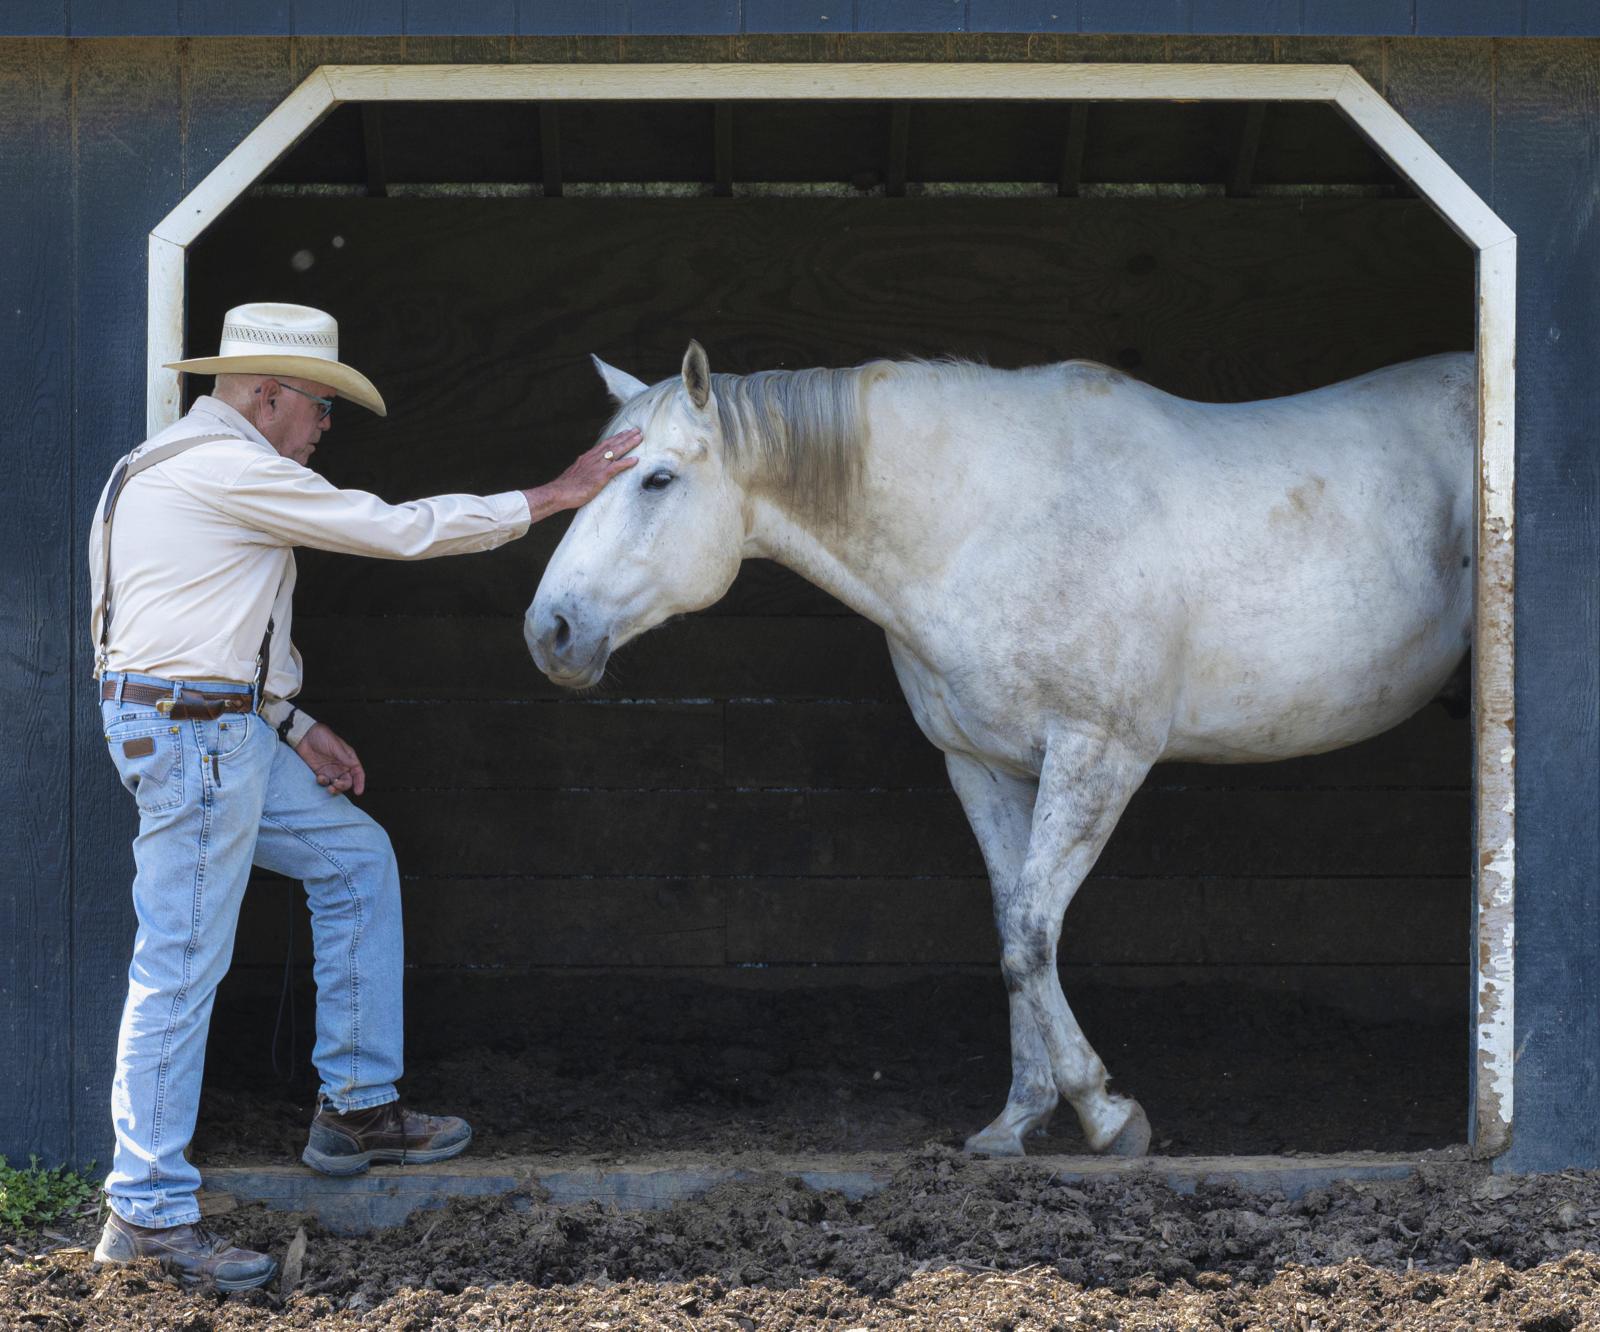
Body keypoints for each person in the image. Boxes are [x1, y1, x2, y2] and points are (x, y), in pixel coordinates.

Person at [89, 302, 640, 1289]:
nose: (326, 426)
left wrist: (294, 726)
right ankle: (146, 1213)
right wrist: (551, 498)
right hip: (199, 739)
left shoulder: (155, 464)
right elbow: (400, 530)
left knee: (353, 857)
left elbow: (181, 622)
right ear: (266, 396)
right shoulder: (230, 468)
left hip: (213, 727)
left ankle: (354, 1108)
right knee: (177, 963)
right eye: (320, 406)